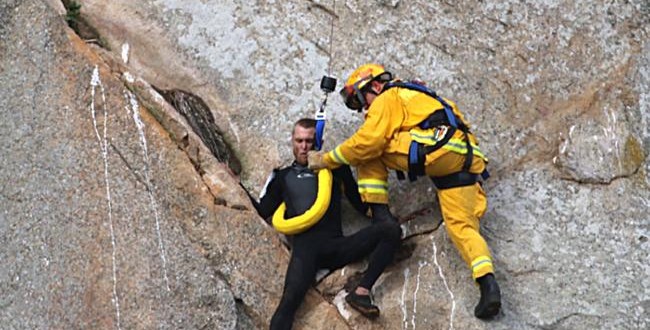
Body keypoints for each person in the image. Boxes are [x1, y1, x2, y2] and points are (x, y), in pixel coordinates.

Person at [307, 64, 502, 319]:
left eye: (361, 98)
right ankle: (488, 285)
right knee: (463, 227)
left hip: (437, 149)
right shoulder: (420, 95)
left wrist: (327, 159)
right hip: (464, 159)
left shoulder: (388, 96)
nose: (364, 108)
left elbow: (369, 141)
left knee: (368, 149)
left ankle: (381, 218)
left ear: (374, 85)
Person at [249, 118, 402, 329]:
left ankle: (361, 292)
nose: (304, 147)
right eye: (299, 141)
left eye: (309, 141)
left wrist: (388, 213)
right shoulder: (282, 177)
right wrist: (233, 182)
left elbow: (359, 203)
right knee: (287, 304)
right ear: (292, 141)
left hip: (336, 246)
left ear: (317, 142)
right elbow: (262, 210)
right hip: (306, 251)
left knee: (391, 230)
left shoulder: (335, 169)